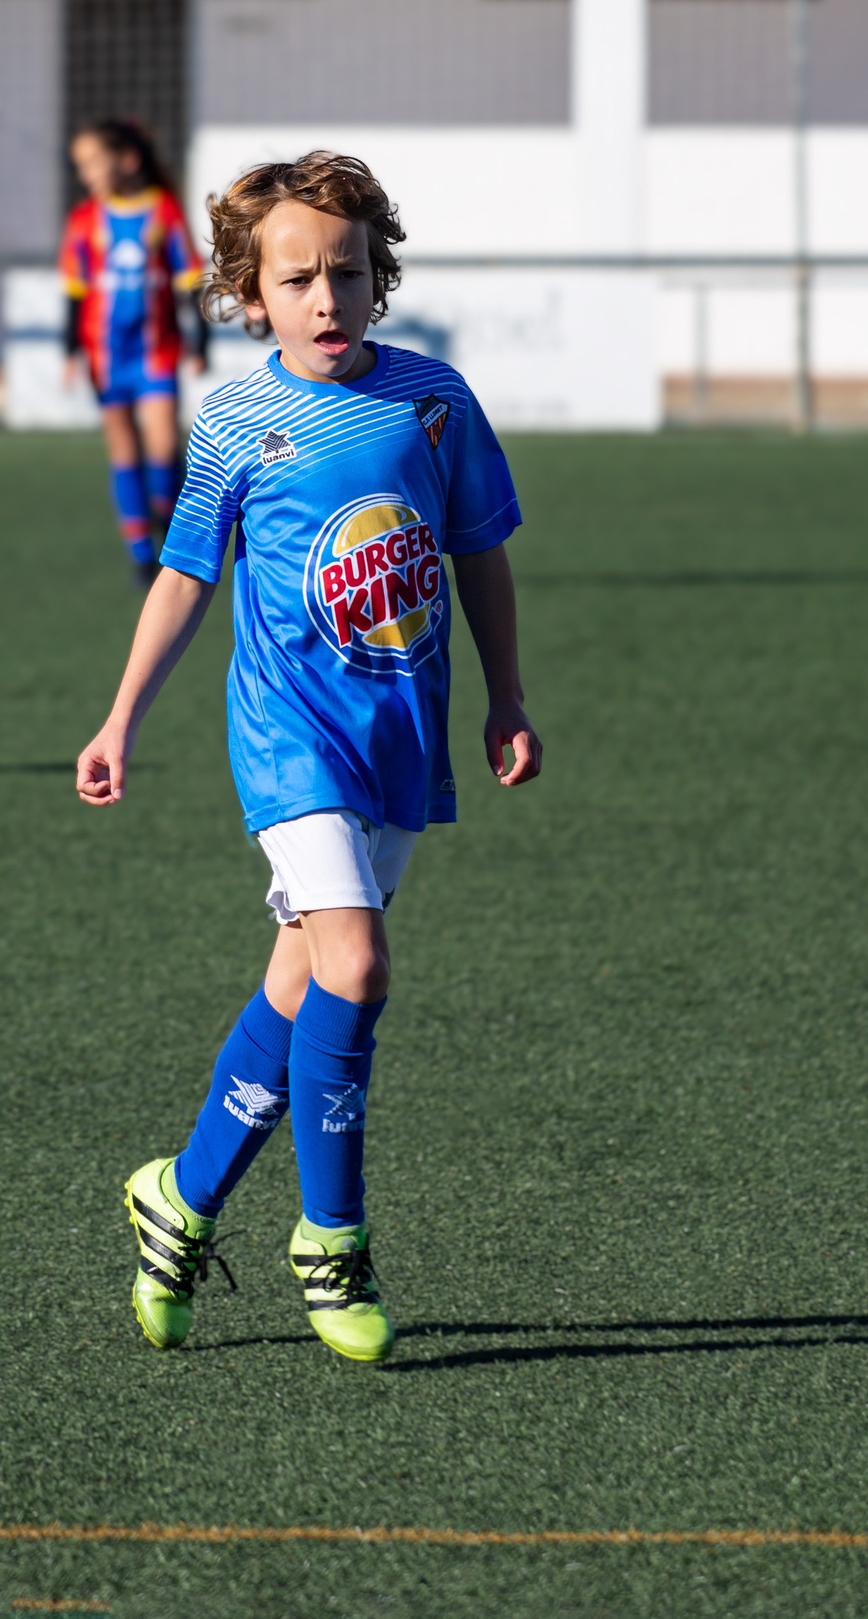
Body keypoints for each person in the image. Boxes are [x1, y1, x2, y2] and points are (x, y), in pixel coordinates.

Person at [76, 151, 539, 1364]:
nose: (324, 298)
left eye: (346, 273)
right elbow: (186, 574)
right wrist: (121, 717)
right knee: (361, 963)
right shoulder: (235, 419)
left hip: (399, 735)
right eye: (296, 279)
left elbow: (479, 552)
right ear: (249, 295)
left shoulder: (432, 400)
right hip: (287, 741)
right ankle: (331, 1243)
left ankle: (179, 1198)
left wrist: (508, 697)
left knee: (302, 983)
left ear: (379, 279)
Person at [59, 118, 207, 584]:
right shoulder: (84, 220)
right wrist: (70, 350)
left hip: (156, 353)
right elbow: (75, 291)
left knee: (163, 445)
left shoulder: (163, 212)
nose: (86, 175)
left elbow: (190, 279)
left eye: (92, 163)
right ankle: (141, 554)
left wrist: (201, 340)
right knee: (123, 450)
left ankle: (167, 514)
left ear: (126, 160)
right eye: (79, 167)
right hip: (106, 356)